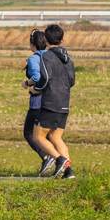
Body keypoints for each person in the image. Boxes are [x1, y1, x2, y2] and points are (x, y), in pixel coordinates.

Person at [30, 24, 76, 179]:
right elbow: (72, 80)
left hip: (50, 101)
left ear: (46, 40)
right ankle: (68, 172)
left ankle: (59, 159)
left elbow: (45, 78)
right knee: (56, 137)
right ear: (62, 39)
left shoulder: (46, 57)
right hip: (64, 102)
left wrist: (37, 89)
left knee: (37, 136)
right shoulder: (68, 58)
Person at [22, 29, 52, 171]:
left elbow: (36, 77)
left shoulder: (34, 58)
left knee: (29, 133)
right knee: (49, 133)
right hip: (52, 100)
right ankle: (60, 159)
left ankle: (47, 157)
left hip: (37, 102)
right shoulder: (51, 56)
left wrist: (27, 83)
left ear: (32, 43)